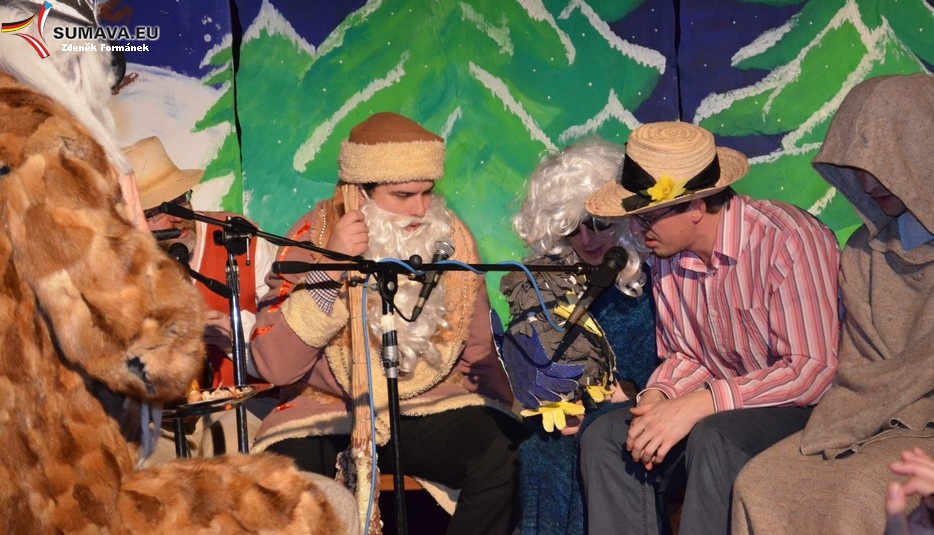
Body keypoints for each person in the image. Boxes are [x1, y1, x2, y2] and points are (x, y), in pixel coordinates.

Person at [249, 112, 526, 535]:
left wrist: (508, 410)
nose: (420, 209)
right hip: (329, 410)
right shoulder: (313, 237)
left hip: (424, 405)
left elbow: (477, 352)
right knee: (288, 483)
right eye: (403, 195)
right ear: (359, 193)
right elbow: (276, 367)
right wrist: (331, 270)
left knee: (503, 452)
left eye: (427, 192)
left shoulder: (450, 238)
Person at [578, 121, 842, 535]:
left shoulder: (789, 240)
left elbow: (812, 370)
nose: (637, 231)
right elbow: (685, 355)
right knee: (608, 437)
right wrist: (659, 397)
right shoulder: (666, 254)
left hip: (808, 411)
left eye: (647, 218)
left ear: (696, 207)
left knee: (715, 436)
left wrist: (703, 403)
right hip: (722, 410)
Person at [731, 73, 934, 535]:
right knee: (758, 483)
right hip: (865, 417)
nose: (865, 180)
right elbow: (858, 363)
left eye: (881, 159)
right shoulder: (863, 252)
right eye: (854, 162)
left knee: (858, 493)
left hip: (921, 433)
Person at [498, 137, 658, 534]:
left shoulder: (659, 276)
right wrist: (556, 400)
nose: (588, 240)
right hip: (570, 418)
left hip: (645, 409)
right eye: (572, 228)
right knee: (540, 450)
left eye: (600, 224)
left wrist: (624, 392)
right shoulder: (547, 282)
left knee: (589, 444)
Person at [127, 136, 278, 461]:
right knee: (138, 465)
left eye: (179, 201)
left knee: (225, 452)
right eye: (156, 212)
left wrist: (234, 332)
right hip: (163, 417)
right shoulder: (121, 267)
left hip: (244, 404)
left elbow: (289, 334)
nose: (175, 217)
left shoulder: (239, 240)